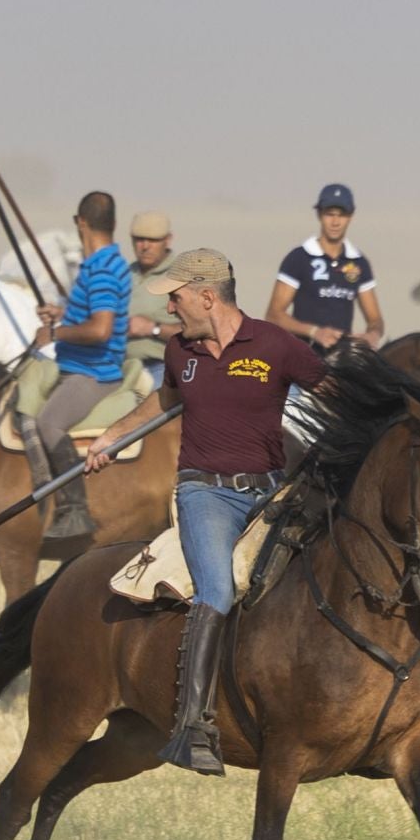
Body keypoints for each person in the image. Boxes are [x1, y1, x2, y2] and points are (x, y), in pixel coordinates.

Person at [85, 248, 326, 774]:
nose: (171, 307)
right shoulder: (179, 351)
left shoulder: (275, 345)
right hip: (204, 494)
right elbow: (165, 400)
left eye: (176, 296)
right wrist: (112, 435)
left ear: (207, 296)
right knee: (216, 590)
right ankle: (193, 726)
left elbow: (329, 389)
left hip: (270, 493)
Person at [18, 191, 130, 555]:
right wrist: (61, 313)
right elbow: (91, 315)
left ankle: (74, 510)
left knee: (48, 424)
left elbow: (100, 329)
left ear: (81, 223)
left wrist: (54, 333)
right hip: (75, 364)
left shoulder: (101, 270)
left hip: (93, 372)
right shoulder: (102, 264)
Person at [265, 183, 383, 350]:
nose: (335, 222)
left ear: (351, 216)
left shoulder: (358, 262)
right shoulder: (299, 258)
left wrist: (373, 335)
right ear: (319, 214)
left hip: (342, 358)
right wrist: (314, 332)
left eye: (341, 215)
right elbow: (274, 315)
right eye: (329, 214)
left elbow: (375, 319)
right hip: (303, 354)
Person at [125, 211, 180, 390]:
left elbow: (200, 333)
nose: (145, 246)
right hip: (119, 366)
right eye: (139, 239)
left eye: (153, 240)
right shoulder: (124, 274)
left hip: (160, 367)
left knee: (144, 412)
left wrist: (153, 328)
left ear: (168, 240)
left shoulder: (181, 277)